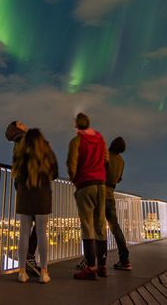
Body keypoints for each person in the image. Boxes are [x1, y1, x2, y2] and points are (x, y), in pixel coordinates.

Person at [13, 128, 58, 284]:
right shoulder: (47, 153)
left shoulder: (20, 154)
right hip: (42, 195)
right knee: (41, 234)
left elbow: (16, 176)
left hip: (24, 195)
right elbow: (55, 173)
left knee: (24, 233)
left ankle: (22, 272)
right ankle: (44, 273)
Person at [68, 112, 109, 280]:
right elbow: (106, 160)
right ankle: (102, 266)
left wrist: (76, 181)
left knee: (87, 225)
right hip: (101, 184)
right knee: (100, 224)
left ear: (76, 124)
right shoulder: (100, 139)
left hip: (85, 184)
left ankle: (90, 267)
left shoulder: (77, 141)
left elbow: (72, 164)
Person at [5, 120, 40, 277]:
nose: (24, 124)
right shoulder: (23, 140)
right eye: (20, 123)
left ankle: (27, 259)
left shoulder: (22, 140)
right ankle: (28, 258)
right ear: (15, 128)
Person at [105, 136, 131, 271]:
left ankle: (92, 260)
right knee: (115, 227)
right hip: (110, 195)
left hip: (100, 192)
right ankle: (124, 259)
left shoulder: (106, 155)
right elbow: (119, 179)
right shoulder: (121, 161)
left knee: (94, 226)